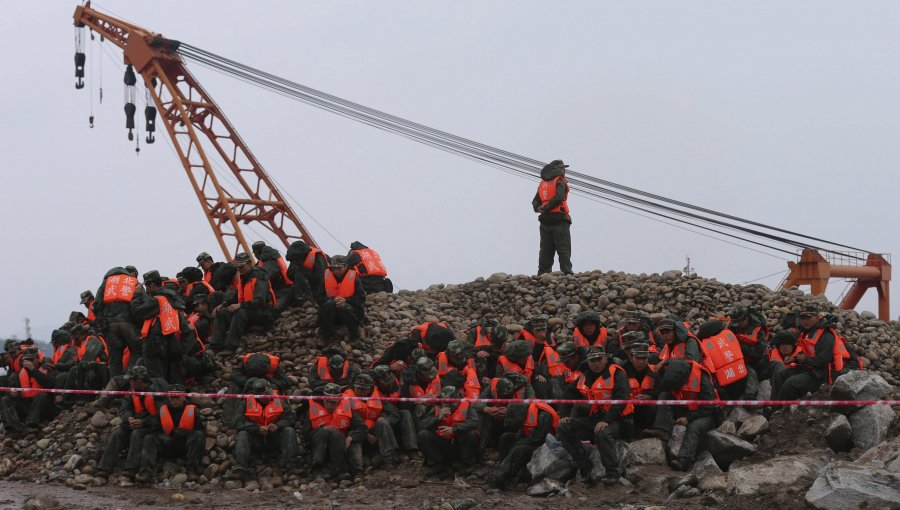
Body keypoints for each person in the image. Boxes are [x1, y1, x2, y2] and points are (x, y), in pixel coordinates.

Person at [558, 345, 633, 486]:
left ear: (605, 359)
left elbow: (621, 400)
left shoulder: (617, 374)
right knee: (563, 427)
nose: (596, 363)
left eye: (599, 359)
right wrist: (564, 414)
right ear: (588, 362)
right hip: (595, 418)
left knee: (602, 432)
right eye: (592, 360)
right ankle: (584, 466)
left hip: (619, 420)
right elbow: (568, 394)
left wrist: (606, 420)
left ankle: (612, 473)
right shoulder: (585, 376)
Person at [773, 304, 860, 400]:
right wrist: (795, 358)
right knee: (779, 375)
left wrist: (804, 359)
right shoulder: (807, 332)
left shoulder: (826, 335)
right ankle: (774, 408)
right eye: (802, 318)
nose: (805, 321)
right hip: (811, 368)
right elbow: (808, 352)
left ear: (818, 317)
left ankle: (784, 411)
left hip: (825, 374)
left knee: (790, 384)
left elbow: (823, 361)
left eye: (808, 317)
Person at [97, 366, 169, 479]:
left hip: (153, 427)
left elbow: (162, 415)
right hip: (135, 423)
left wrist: (144, 422)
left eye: (131, 380)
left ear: (139, 381)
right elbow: (124, 409)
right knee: (118, 433)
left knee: (137, 433)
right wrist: (129, 418)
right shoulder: (132, 393)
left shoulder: (157, 393)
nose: (129, 382)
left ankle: (131, 468)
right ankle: (104, 468)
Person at [131, 271, 200, 384]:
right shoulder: (171, 300)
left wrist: (137, 295)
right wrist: (180, 349)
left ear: (153, 285)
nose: (146, 290)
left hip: (155, 346)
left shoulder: (157, 301)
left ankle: (162, 400)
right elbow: (187, 329)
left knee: (157, 380)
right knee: (171, 380)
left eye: (147, 286)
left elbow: (137, 312)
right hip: (171, 345)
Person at [655, 359, 721, 471]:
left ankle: (684, 460)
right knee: (664, 395)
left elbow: (709, 406)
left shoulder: (702, 379)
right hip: (684, 408)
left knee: (695, 427)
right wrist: (662, 366)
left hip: (706, 413)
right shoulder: (674, 369)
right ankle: (662, 429)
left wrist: (688, 418)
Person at [231, 378, 299, 479]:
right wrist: (256, 428)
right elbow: (237, 422)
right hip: (256, 440)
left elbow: (291, 417)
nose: (269, 396)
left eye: (269, 392)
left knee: (289, 431)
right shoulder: (246, 403)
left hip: (274, 439)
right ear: (257, 396)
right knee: (242, 434)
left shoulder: (279, 400)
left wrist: (278, 425)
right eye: (265, 394)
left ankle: (292, 466)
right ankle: (241, 467)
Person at [209, 252, 275, 353]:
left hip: (263, 313)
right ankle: (215, 346)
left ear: (249, 264)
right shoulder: (242, 278)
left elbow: (260, 302)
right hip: (248, 311)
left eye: (242, 266)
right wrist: (222, 305)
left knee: (240, 312)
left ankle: (230, 347)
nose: (239, 268)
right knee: (222, 313)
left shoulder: (259, 277)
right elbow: (235, 296)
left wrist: (240, 305)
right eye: (238, 266)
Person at [137, 384, 205, 482]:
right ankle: (146, 472)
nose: (174, 400)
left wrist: (184, 433)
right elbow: (154, 432)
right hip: (167, 446)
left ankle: (192, 471)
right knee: (149, 438)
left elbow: (201, 432)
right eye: (172, 397)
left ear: (183, 397)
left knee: (198, 436)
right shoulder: (162, 411)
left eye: (177, 397)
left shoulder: (192, 411)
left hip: (184, 447)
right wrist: (164, 438)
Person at [489, 401, 559, 489]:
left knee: (520, 449)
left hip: (546, 446)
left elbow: (538, 438)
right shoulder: (526, 412)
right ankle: (504, 470)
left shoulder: (544, 414)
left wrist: (519, 443)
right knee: (506, 438)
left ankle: (501, 478)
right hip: (532, 440)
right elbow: (522, 433)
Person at [305, 382, 366, 480]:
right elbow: (306, 436)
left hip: (341, 447)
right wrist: (320, 430)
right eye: (327, 401)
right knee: (324, 432)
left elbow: (362, 428)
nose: (329, 405)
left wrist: (351, 437)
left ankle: (345, 471)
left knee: (336, 435)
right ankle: (317, 471)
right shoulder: (314, 409)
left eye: (333, 402)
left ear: (338, 400)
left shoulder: (347, 409)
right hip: (320, 447)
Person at [417, 386, 481, 478]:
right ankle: (437, 464)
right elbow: (422, 424)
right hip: (444, 443)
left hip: (459, 443)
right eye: (446, 402)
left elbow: (474, 421)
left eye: (452, 402)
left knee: (472, 434)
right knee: (423, 434)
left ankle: (467, 464)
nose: (449, 405)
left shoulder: (467, 406)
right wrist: (437, 418)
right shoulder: (437, 406)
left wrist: (454, 429)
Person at [342, 373, 401, 468]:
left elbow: (395, 413)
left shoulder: (377, 397)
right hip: (357, 433)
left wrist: (386, 423)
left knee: (382, 422)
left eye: (363, 389)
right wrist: (366, 434)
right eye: (358, 388)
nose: (360, 391)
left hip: (375, 434)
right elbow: (347, 423)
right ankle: (357, 469)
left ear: (370, 389)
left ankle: (389, 459)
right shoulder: (346, 399)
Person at [94, 266, 143, 377]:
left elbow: (96, 305)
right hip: (129, 324)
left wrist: (103, 323)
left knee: (115, 358)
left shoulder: (106, 283)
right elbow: (140, 304)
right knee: (136, 350)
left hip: (110, 325)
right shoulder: (133, 282)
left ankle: (115, 387)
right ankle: (131, 380)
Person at [223, 352, 291, 426]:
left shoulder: (273, 364)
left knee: (274, 387)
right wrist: (252, 382)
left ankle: (278, 418)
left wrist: (266, 381)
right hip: (249, 386)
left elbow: (286, 383)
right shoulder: (245, 362)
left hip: (267, 387)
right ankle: (230, 419)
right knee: (234, 385)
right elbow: (234, 376)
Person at [0, 349, 57, 434]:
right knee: (5, 399)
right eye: (26, 360)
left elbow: (51, 384)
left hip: (44, 406)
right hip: (26, 404)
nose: (28, 362)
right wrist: (13, 393)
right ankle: (13, 428)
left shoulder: (47, 369)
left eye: (31, 360)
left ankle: (31, 425)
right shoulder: (19, 374)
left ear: (38, 359)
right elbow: (12, 388)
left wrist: (33, 370)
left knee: (42, 395)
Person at [532, 159, 572, 275]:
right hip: (560, 219)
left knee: (545, 249)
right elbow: (559, 197)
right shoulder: (560, 181)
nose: (564, 170)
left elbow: (535, 202)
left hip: (545, 221)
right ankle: (567, 272)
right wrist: (547, 207)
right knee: (563, 248)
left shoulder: (542, 184)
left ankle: (543, 274)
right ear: (557, 169)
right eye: (563, 168)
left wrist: (541, 208)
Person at [317, 255, 366, 344]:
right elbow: (319, 298)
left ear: (345, 266)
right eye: (334, 268)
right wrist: (332, 299)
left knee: (344, 307)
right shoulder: (326, 277)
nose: (336, 271)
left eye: (339, 268)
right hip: (332, 313)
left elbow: (361, 299)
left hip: (349, 312)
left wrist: (346, 300)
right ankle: (324, 335)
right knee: (329, 305)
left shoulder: (354, 278)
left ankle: (354, 335)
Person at [621, 342, 659, 435]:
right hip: (627, 407)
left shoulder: (654, 371)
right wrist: (631, 400)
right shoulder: (621, 371)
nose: (641, 361)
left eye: (644, 358)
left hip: (645, 407)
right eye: (638, 358)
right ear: (631, 358)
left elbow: (660, 390)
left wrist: (649, 396)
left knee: (653, 407)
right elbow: (617, 393)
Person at [252, 241, 294, 313]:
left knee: (274, 310)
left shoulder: (269, 260)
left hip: (282, 290)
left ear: (257, 253)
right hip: (276, 291)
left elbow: (267, 276)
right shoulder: (267, 259)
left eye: (255, 253)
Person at [284, 240, 329, 306]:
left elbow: (320, 279)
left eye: (296, 260)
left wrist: (303, 269)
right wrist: (298, 267)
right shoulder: (295, 259)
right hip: (303, 287)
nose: (294, 262)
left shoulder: (317, 256)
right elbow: (289, 275)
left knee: (300, 273)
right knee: (291, 290)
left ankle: (306, 300)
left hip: (320, 289)